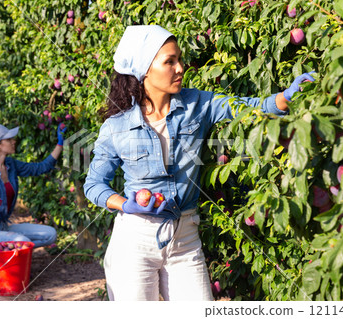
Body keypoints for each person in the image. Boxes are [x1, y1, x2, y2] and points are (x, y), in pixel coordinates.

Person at [83, 25, 315, 301]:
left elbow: (247, 105)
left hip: (184, 238)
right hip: (135, 239)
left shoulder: (198, 104)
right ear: (145, 70)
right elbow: (94, 185)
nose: (180, 68)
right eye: (169, 61)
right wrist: (125, 204)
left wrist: (285, 97)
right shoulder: (116, 126)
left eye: (179, 59)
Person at [0, 123, 66, 280]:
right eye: (9, 139)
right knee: (23, 243)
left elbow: (40, 168)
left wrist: (60, 144)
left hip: (3, 227)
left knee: (50, 235)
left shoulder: (11, 165)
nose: (14, 141)